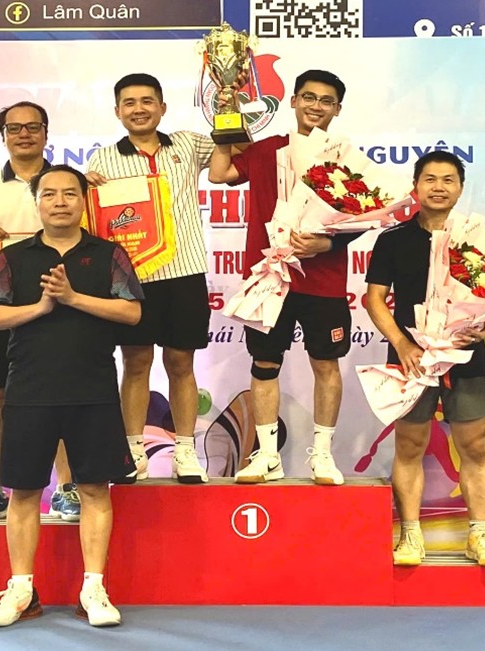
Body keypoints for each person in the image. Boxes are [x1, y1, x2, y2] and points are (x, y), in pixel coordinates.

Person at [0, 165, 143, 627]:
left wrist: (73, 298)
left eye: (70, 193)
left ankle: (93, 589)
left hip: (93, 388)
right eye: (49, 194)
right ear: (37, 202)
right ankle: (21, 590)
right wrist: (39, 307)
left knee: (94, 489)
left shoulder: (108, 253)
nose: (60, 201)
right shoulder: (13, 257)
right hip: (30, 388)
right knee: (24, 491)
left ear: (83, 201)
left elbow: (131, 312)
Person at [208, 69, 353, 485]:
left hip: (323, 279)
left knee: (325, 363)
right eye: (308, 97)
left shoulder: (345, 159)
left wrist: (326, 244)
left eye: (326, 101)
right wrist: (225, 121)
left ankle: (322, 455)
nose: (316, 106)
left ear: (337, 109)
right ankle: (268, 455)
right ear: (293, 101)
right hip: (269, 277)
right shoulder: (267, 149)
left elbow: (363, 217)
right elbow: (219, 174)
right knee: (265, 363)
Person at [365, 151, 485, 566]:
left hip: (466, 356)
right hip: (411, 358)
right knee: (410, 444)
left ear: (460, 188)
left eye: (448, 179)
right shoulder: (392, 239)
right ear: (416, 187)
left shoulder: (477, 239)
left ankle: (480, 536)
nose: (439, 187)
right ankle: (410, 536)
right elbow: (374, 298)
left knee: (474, 445)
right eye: (430, 179)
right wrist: (401, 344)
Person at [86, 73, 213, 483]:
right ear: (117, 111)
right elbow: (95, 214)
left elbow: (234, 155)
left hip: (185, 272)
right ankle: (132, 450)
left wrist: (229, 104)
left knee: (181, 362)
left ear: (162, 107)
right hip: (132, 277)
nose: (138, 109)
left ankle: (186, 450)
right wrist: (84, 187)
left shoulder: (189, 144)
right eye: (129, 103)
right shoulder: (103, 160)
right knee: (136, 362)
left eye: (147, 101)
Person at [0, 101, 79, 523]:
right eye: (14, 128)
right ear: (3, 135)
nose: (24, 134)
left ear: (46, 132)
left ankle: (67, 487)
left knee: (63, 395)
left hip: (58, 300)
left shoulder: (66, 181)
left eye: (32, 126)